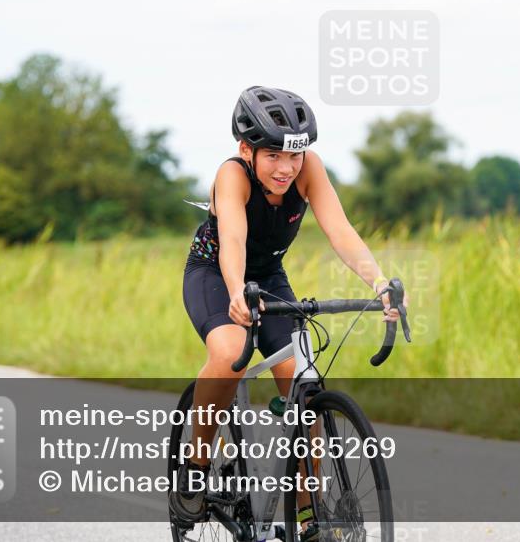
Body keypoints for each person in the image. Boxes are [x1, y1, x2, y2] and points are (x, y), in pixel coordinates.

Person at [170, 86, 406, 540]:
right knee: (229, 350)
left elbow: (340, 230)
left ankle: (305, 513)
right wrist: (237, 293)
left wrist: (378, 282)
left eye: (294, 155)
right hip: (216, 273)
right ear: (247, 149)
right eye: (274, 155)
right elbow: (233, 241)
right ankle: (195, 470)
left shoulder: (308, 171)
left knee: (303, 382)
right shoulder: (232, 175)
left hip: (269, 277)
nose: (286, 168)